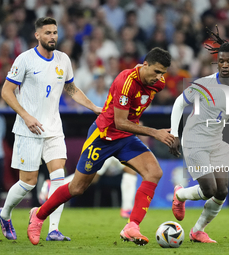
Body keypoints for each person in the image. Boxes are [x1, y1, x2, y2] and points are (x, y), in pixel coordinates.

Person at [27, 47, 174, 246]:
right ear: (144, 65)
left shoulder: (158, 84)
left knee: (154, 172)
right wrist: (155, 132)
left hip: (126, 137)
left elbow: (129, 122)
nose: (159, 77)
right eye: (156, 71)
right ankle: (38, 215)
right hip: (104, 136)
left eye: (163, 73)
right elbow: (120, 122)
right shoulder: (125, 82)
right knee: (77, 188)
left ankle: (132, 226)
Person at [0, 17, 102, 241]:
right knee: (28, 183)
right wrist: (26, 116)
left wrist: (93, 107)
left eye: (55, 32)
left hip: (54, 128)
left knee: (59, 179)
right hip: (28, 130)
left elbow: (71, 89)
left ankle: (53, 229)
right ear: (37, 35)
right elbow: (6, 91)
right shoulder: (24, 59)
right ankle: (5, 214)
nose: (52, 36)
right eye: (47, 33)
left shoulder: (63, 59)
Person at [169, 28, 229, 243]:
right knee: (209, 190)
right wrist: (174, 133)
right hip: (195, 139)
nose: (224, 65)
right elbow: (179, 103)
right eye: (221, 61)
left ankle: (198, 231)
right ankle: (179, 195)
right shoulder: (203, 84)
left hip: (216, 141)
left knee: (222, 191)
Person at [39, 156, 137, 219]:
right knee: (90, 178)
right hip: (109, 152)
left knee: (131, 173)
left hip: (118, 159)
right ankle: (53, 186)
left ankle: (127, 209)